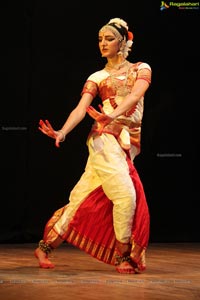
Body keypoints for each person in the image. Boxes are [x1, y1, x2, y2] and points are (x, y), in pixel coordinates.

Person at [34, 17, 152, 274]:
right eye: (100, 39)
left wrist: (114, 113)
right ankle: (123, 256)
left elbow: (135, 95)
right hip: (103, 139)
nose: (103, 43)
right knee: (125, 196)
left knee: (81, 197)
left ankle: (45, 247)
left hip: (127, 142)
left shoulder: (142, 69)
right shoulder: (97, 76)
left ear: (123, 41)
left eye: (109, 38)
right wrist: (63, 131)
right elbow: (80, 108)